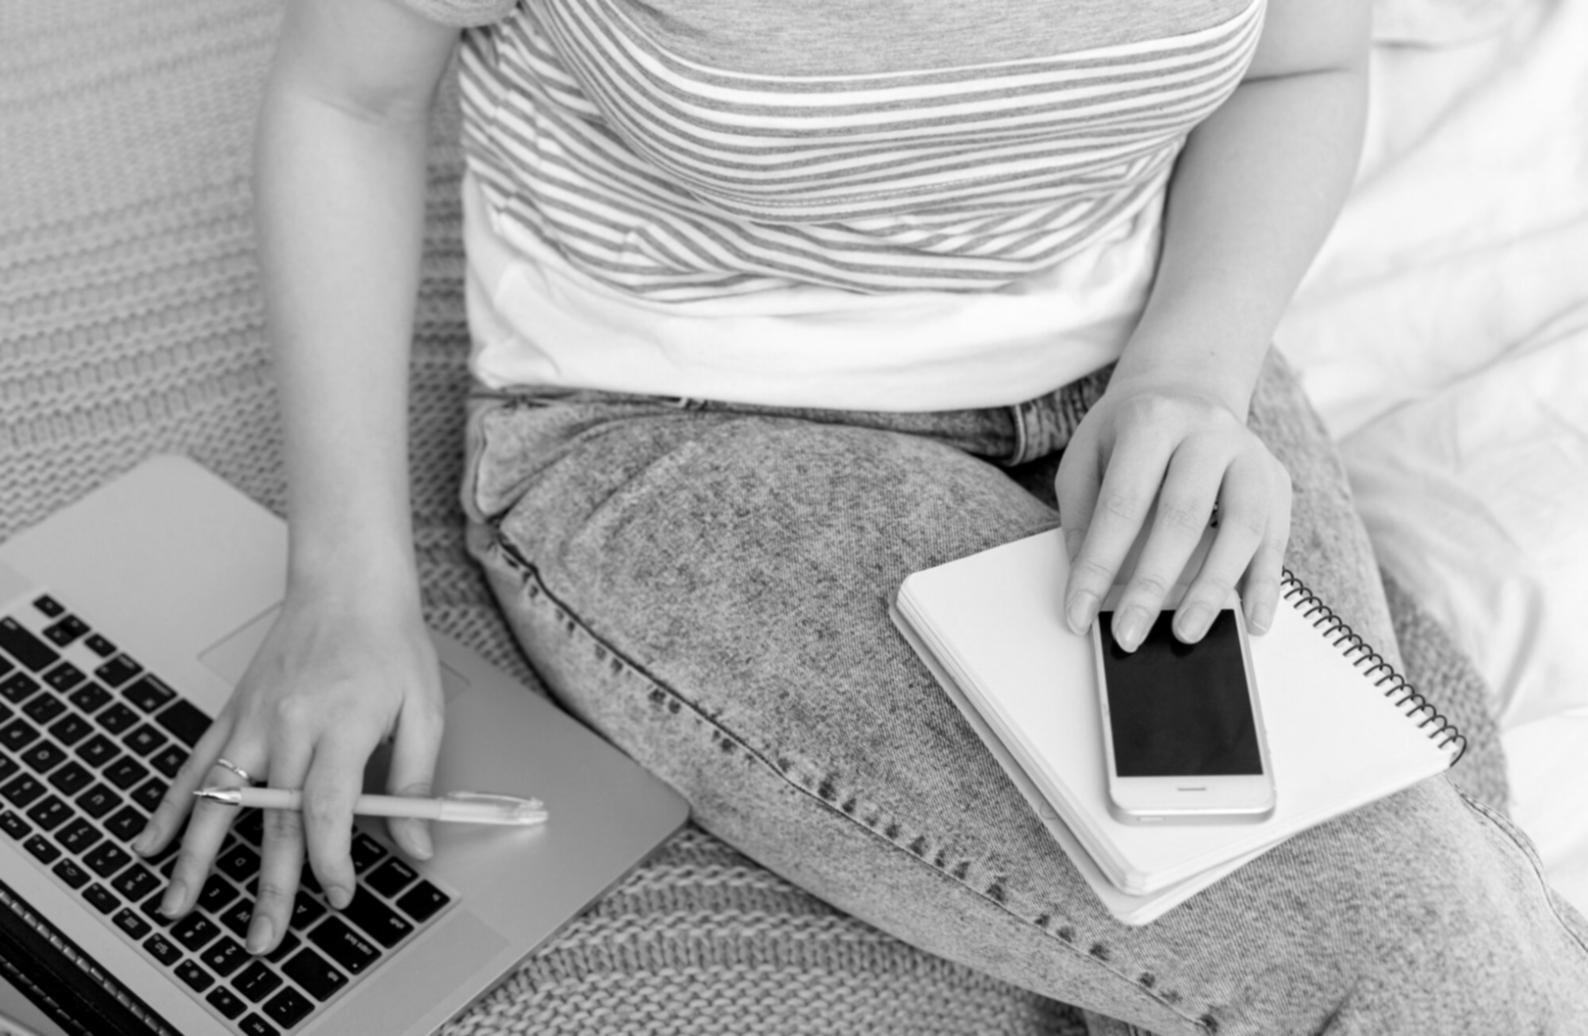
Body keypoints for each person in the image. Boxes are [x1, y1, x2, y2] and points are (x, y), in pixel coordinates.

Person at [132, 0, 1588, 1031]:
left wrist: (1195, 378)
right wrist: (343, 577)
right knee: (1400, 928)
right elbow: (348, 92)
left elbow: (1299, 62)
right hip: (697, 424)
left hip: (1159, 372)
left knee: (1440, 825)